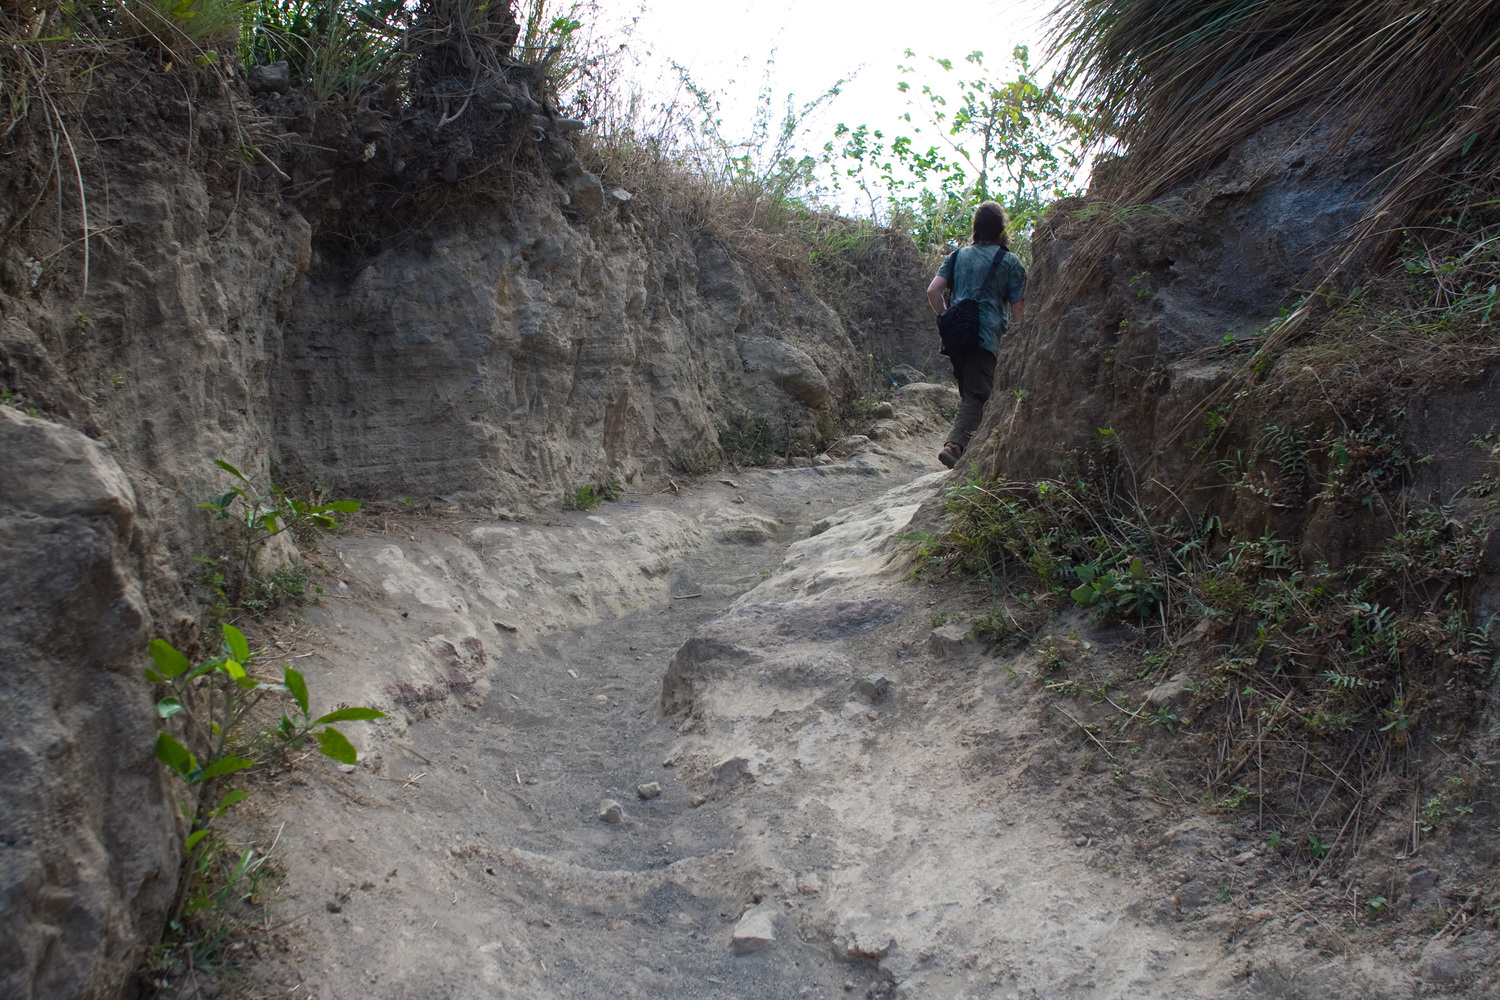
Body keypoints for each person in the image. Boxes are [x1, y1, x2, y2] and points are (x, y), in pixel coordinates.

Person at [926, 201, 1026, 469]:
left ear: (976, 227)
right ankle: (954, 446)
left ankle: (966, 449)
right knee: (978, 395)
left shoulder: (957, 256)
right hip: (984, 337)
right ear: (1001, 229)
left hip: (955, 338)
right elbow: (1018, 307)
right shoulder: (1009, 262)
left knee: (969, 392)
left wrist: (946, 315)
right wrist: (1024, 338)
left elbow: (933, 291)